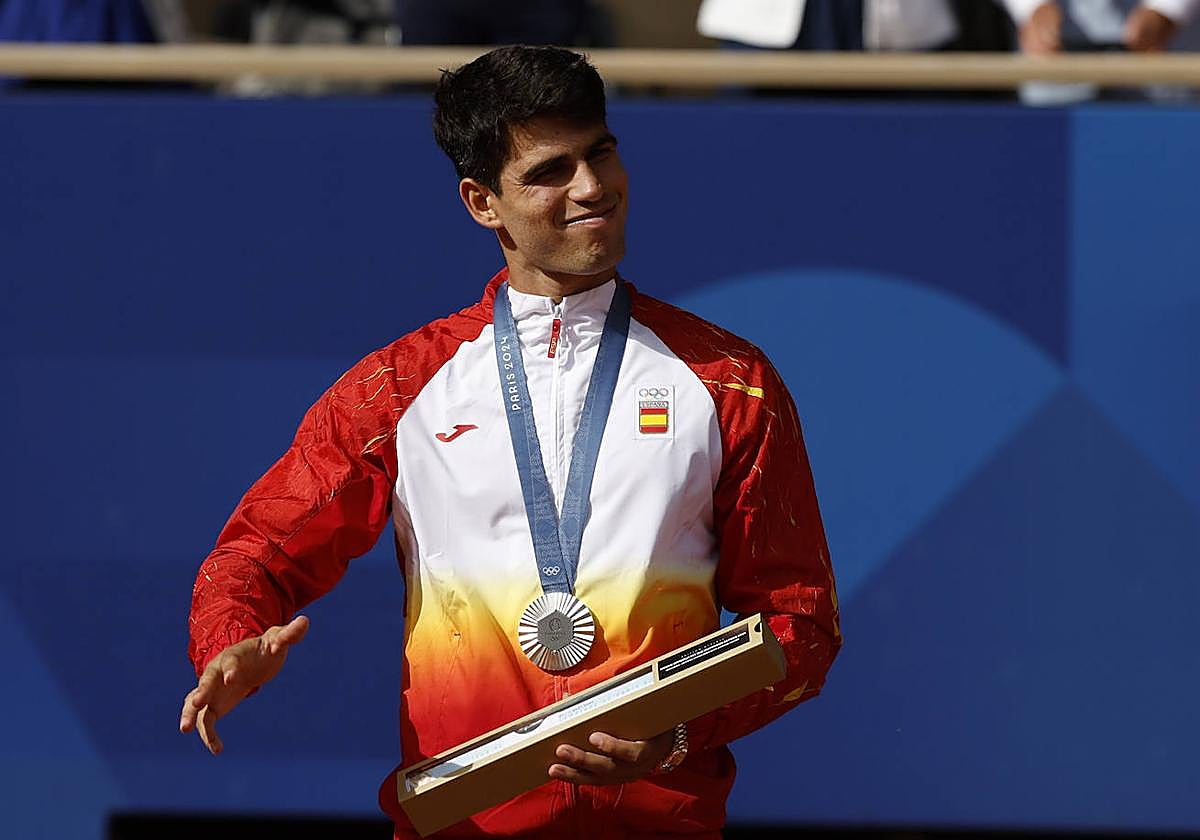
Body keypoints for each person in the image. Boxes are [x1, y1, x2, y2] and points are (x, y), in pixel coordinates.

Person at [179, 45, 841, 838]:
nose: (592, 187)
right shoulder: (399, 389)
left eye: (601, 153)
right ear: (482, 202)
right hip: (462, 825)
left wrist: (678, 731)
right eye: (550, 171)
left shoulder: (730, 381)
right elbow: (255, 555)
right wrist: (230, 644)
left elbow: (800, 622)